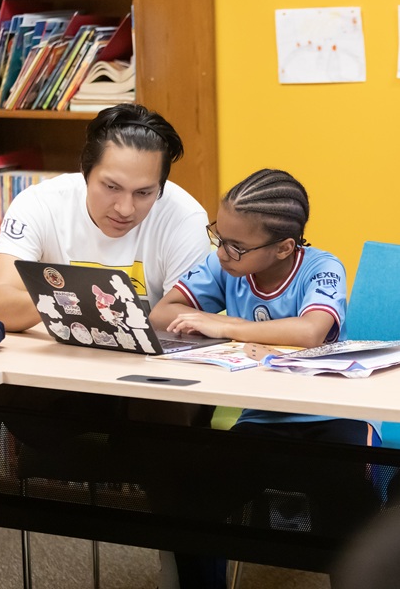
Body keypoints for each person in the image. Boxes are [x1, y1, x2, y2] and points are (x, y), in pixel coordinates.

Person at [0, 103, 213, 589]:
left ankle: (178, 564)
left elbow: (185, 321)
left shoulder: (183, 216)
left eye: (145, 192)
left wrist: (49, 297)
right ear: (86, 172)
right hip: (59, 381)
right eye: (111, 187)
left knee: (162, 411)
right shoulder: (40, 204)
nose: (126, 208)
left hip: (144, 388)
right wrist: (84, 298)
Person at [148, 168, 382, 589]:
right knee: (191, 501)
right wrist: (214, 322)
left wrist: (226, 325)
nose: (222, 253)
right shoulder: (224, 266)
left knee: (351, 512)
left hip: (334, 420)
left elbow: (310, 331)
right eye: (218, 236)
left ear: (284, 248)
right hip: (263, 421)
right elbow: (162, 315)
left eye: (236, 247)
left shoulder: (321, 268)